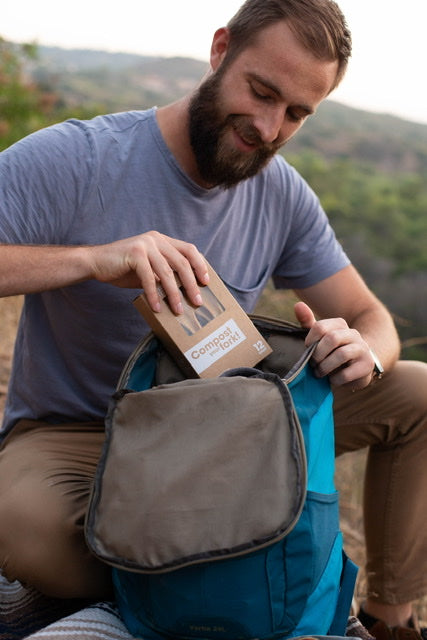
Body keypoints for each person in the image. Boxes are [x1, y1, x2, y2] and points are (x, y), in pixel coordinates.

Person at [0, 1, 426, 638]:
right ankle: (206, 575)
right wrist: (91, 258)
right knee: (22, 527)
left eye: (296, 114)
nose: (269, 126)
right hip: (84, 437)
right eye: (261, 92)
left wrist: (362, 346)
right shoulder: (82, 157)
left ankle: (388, 621)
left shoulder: (283, 195)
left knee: (416, 391)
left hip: (228, 432)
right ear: (221, 49)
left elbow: (370, 314)